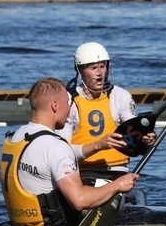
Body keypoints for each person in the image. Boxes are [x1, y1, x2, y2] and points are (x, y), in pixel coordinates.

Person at [0, 78, 139, 226]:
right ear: (54, 105)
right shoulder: (56, 147)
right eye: (68, 103)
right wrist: (118, 185)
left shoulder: (17, 136)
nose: (70, 109)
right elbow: (79, 200)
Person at [64, 42, 155, 185]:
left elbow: (133, 135)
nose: (99, 73)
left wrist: (144, 139)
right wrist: (98, 145)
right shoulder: (68, 100)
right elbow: (62, 151)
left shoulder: (120, 96)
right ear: (80, 71)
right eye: (93, 68)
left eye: (102, 66)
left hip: (117, 171)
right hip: (80, 173)